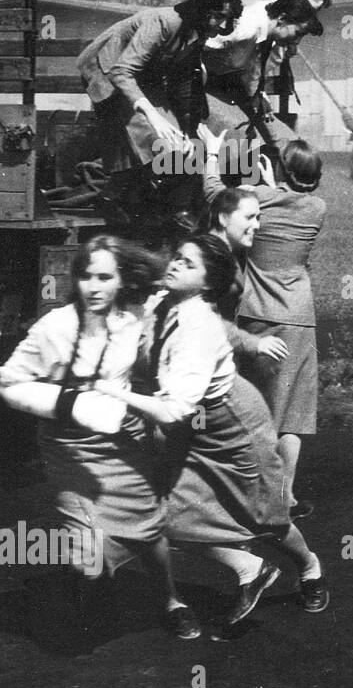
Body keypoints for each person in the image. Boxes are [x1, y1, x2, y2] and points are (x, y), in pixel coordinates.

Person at [0, 236, 198, 641]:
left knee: (147, 524)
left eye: (105, 277)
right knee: (84, 542)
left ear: (121, 280)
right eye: (87, 277)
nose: (95, 287)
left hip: (122, 440)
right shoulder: (53, 327)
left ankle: (171, 600)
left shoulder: (135, 319)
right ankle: (89, 596)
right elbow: (7, 380)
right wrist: (67, 402)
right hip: (68, 449)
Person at [99, 235, 285, 631]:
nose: (176, 265)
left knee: (267, 518)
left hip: (231, 422)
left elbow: (174, 406)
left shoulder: (197, 324)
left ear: (206, 283)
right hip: (190, 420)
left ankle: (309, 569)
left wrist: (113, 392)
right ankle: (247, 568)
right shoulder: (166, 300)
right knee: (163, 509)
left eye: (188, 263)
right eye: (177, 257)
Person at [199, 176, 328, 611]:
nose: (259, 224)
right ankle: (245, 570)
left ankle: (307, 566)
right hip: (201, 392)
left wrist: (249, 342)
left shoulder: (229, 253)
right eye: (251, 218)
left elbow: (202, 318)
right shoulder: (206, 253)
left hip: (228, 395)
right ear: (224, 216)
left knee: (265, 510)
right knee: (176, 504)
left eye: (260, 215)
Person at [76, 0, 242, 173]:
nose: (223, 26)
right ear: (202, 9)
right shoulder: (163, 22)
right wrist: (154, 116)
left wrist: (188, 132)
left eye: (227, 18)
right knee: (147, 134)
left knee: (176, 139)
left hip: (137, 75)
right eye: (218, 16)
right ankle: (111, 188)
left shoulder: (199, 31)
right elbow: (121, 72)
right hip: (105, 70)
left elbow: (184, 85)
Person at [203, 0, 324, 168]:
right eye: (298, 33)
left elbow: (252, 70)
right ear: (282, 19)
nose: (296, 41)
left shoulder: (267, 32)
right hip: (199, 82)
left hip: (230, 83)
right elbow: (193, 46)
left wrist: (259, 93)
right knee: (239, 132)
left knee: (276, 131)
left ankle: (294, 170)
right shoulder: (244, 28)